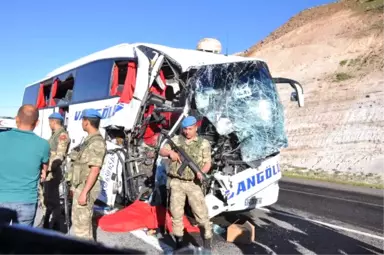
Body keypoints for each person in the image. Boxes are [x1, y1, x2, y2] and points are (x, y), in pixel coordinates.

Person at [159, 116, 213, 250]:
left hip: (193, 184)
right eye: (185, 129)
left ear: (196, 128)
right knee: (176, 214)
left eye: (190, 129)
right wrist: (170, 152)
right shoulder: (176, 140)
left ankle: (207, 243)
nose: (187, 132)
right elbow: (162, 150)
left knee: (201, 215)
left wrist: (202, 172)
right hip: (176, 182)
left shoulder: (203, 143)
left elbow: (208, 162)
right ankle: (179, 243)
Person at [0, 105, 49, 226]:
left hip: (2, 198)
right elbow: (44, 172)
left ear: (16, 119)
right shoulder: (43, 144)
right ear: (37, 123)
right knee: (21, 242)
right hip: (27, 201)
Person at [67, 109, 106, 240]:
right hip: (81, 186)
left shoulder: (97, 142)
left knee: (81, 229)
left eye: (83, 120)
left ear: (87, 122)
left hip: (86, 188)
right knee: (81, 225)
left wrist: (84, 192)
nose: (82, 123)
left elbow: (95, 169)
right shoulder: (88, 141)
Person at [40, 112, 70, 230]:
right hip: (48, 170)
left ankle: (56, 223)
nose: (49, 124)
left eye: (49, 122)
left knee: (52, 198)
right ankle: (47, 221)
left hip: (53, 171)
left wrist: (47, 168)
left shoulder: (62, 135)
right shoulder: (54, 135)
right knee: (46, 197)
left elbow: (59, 155)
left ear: (53, 121)